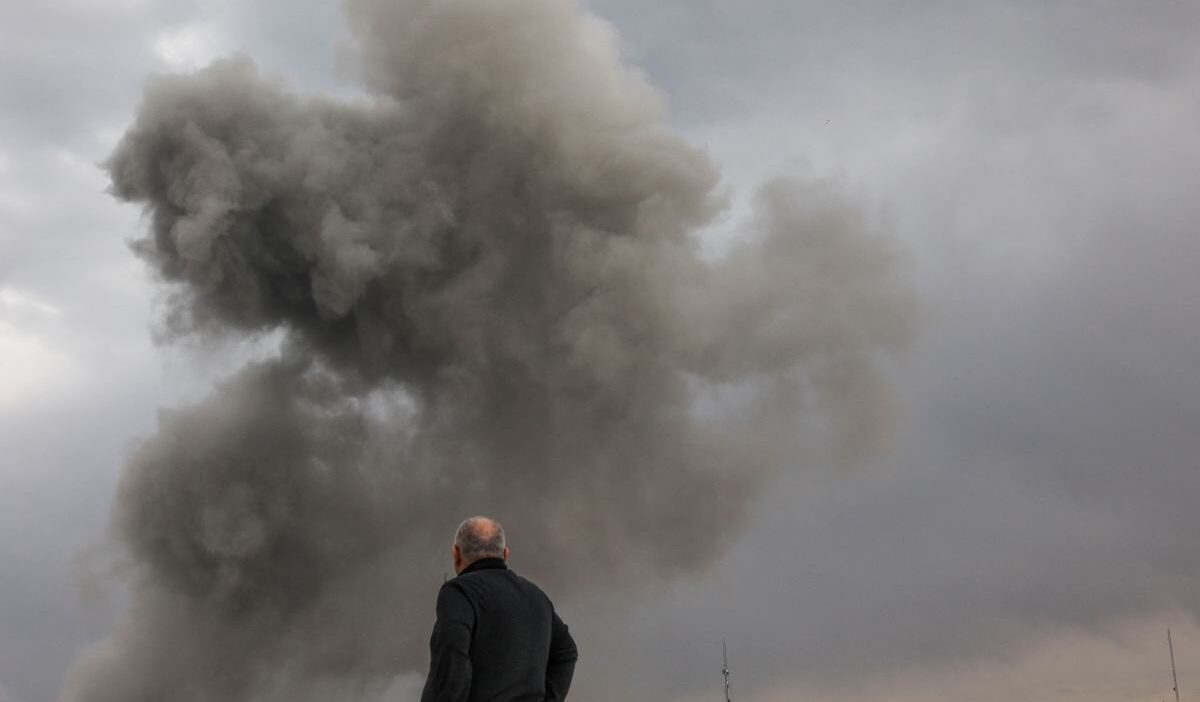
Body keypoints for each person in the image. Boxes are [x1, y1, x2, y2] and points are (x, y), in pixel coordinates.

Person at [421, 516, 578, 702]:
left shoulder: (459, 592)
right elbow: (566, 652)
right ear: (505, 554)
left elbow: (451, 664)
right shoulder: (535, 595)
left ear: (455, 554)